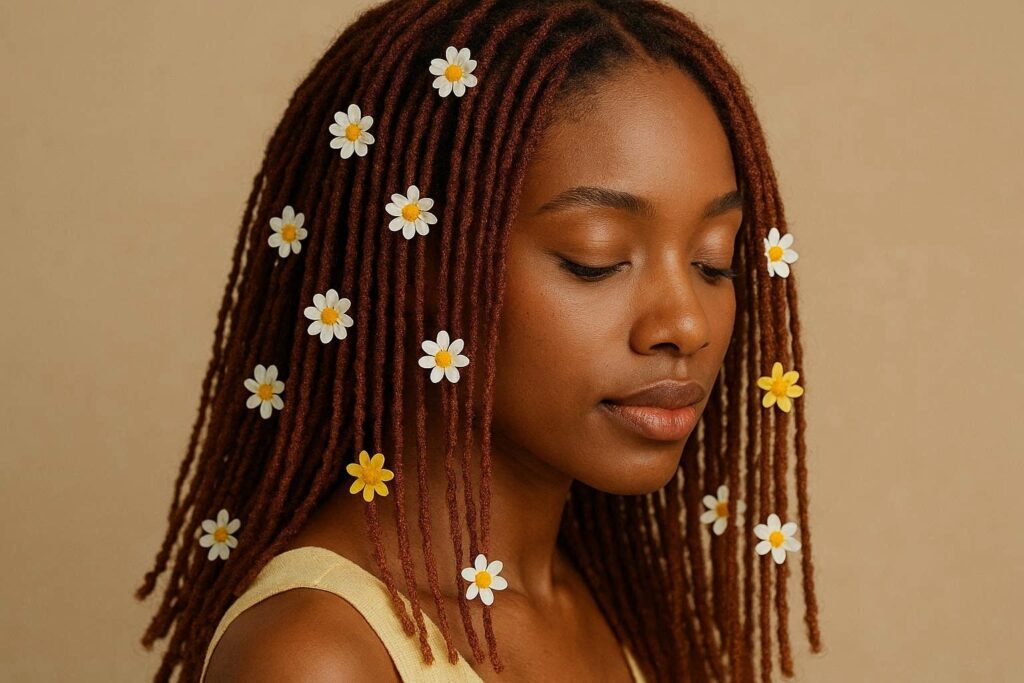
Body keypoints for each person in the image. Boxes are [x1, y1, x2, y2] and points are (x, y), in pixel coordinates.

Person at [135, 1, 822, 681]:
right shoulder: (317, 655)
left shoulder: (621, 610)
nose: (687, 324)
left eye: (713, 261)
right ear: (414, 266)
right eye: (597, 257)